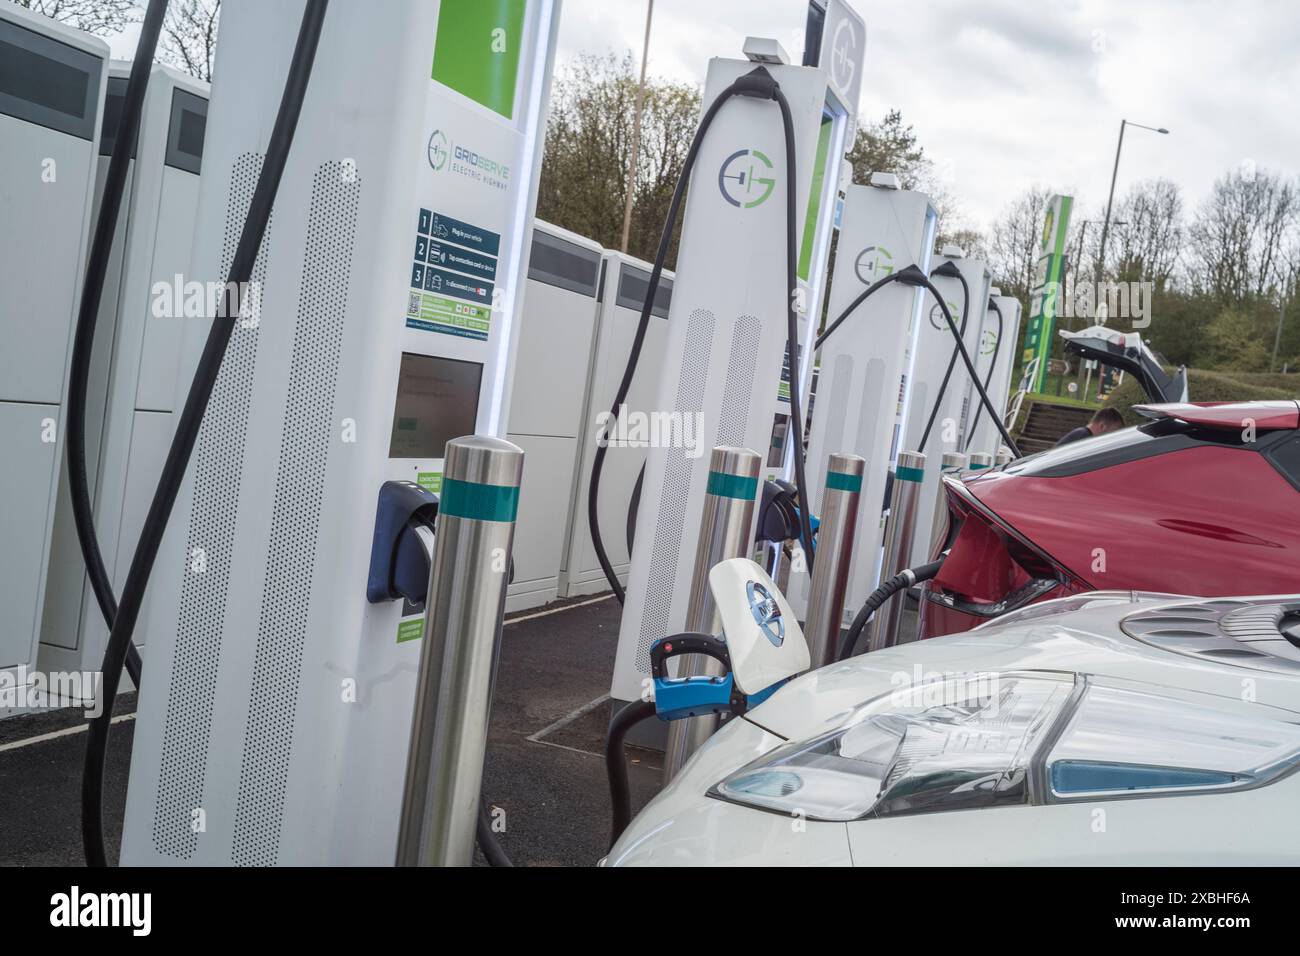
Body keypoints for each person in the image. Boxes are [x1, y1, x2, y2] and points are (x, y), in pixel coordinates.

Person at [1056, 406, 1125, 446]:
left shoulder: (1080, 434)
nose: (1114, 438)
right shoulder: (1085, 439)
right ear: (1102, 426)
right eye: (1113, 432)